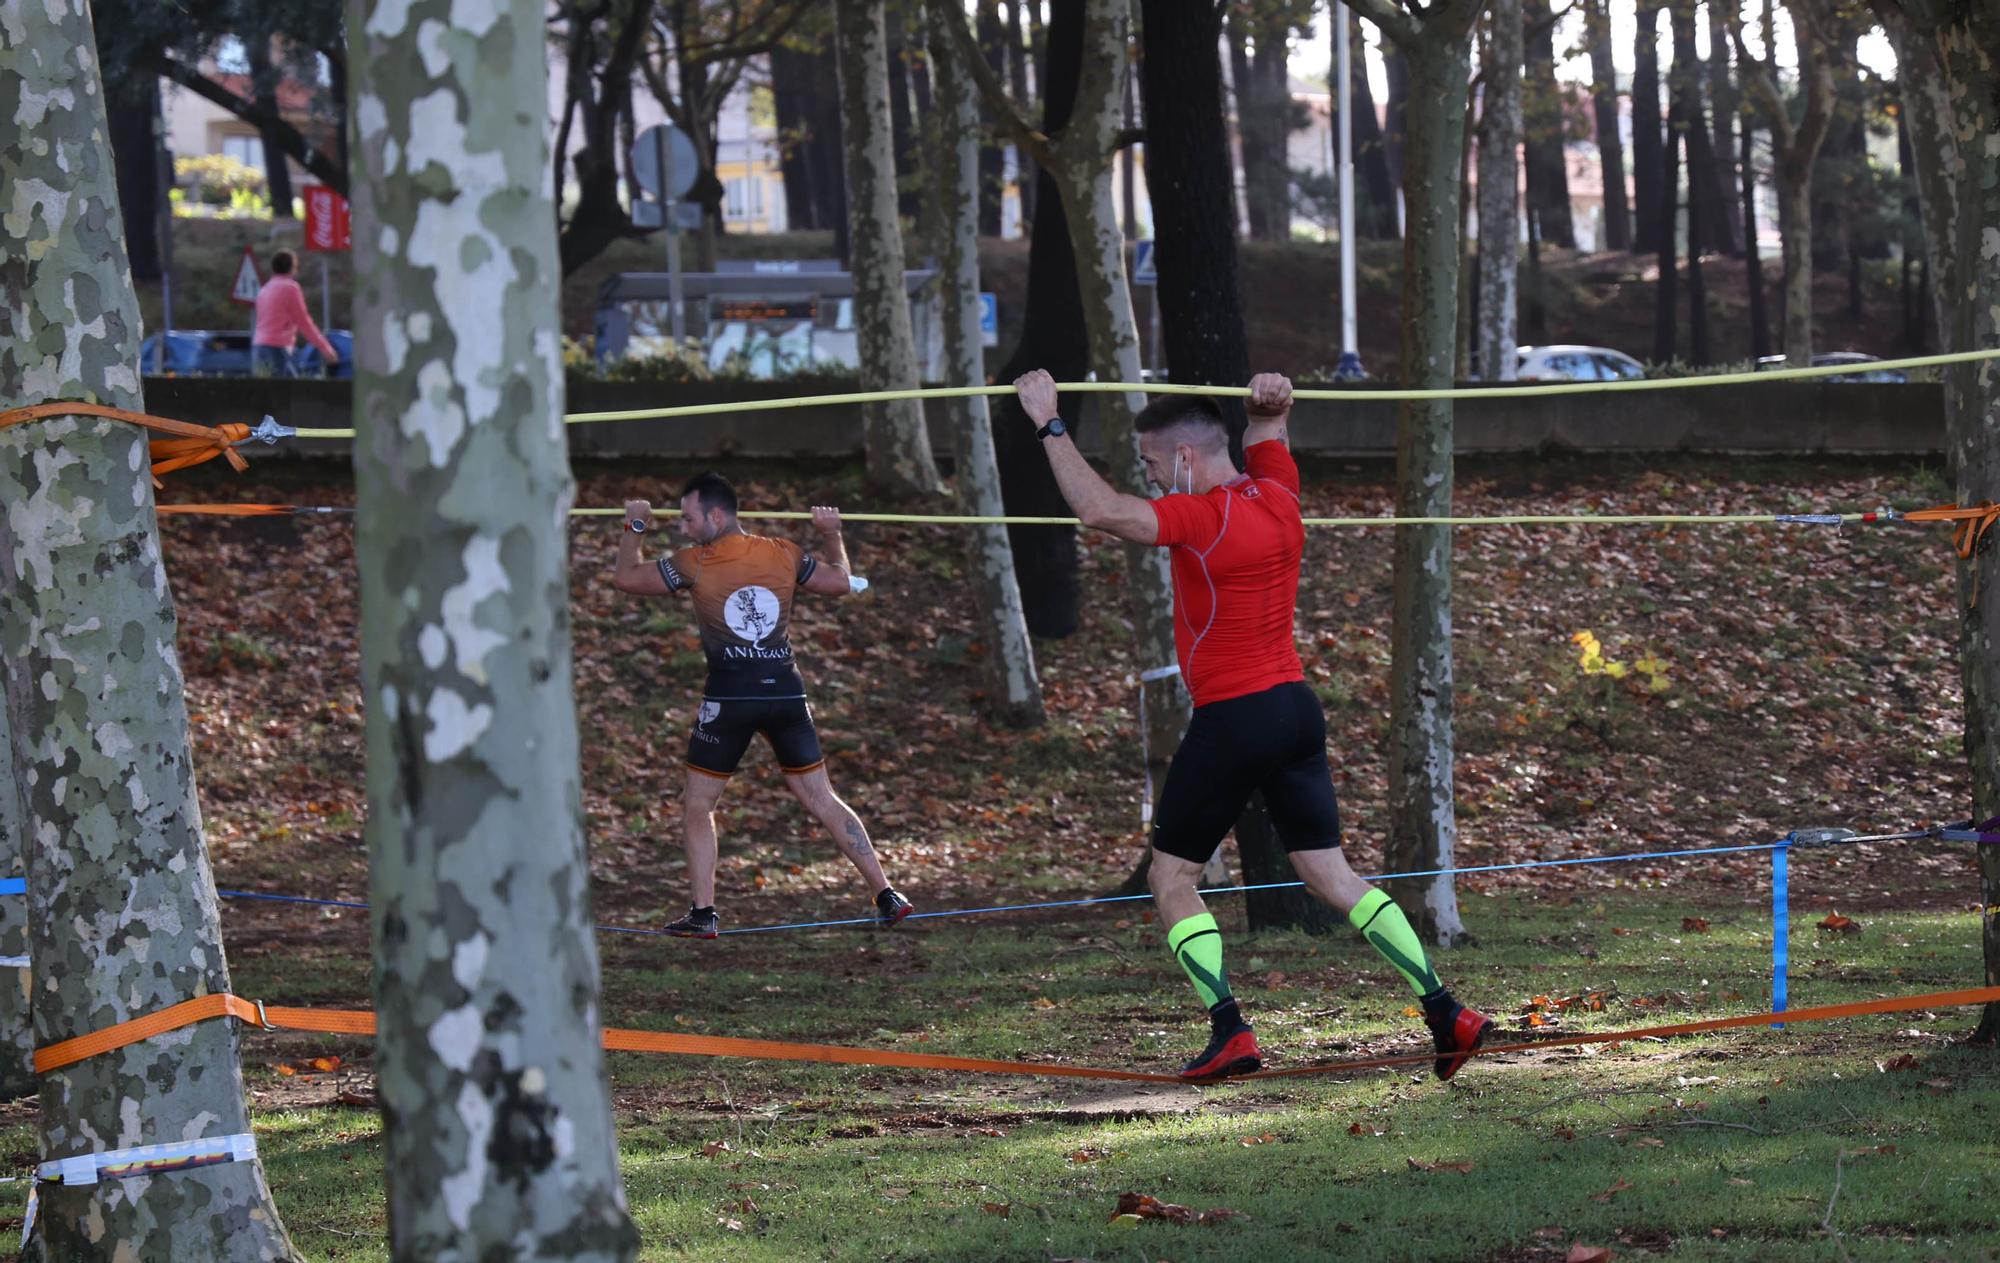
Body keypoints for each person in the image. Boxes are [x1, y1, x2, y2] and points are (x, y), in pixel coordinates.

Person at [1012, 369, 1492, 1084]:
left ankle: (1229, 1028)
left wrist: (1049, 422)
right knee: (1330, 873)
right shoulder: (1279, 495)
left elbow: (1102, 511)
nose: (1149, 480)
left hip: (1234, 715)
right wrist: (1272, 404)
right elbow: (1269, 432)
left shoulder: (1200, 520)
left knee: (1171, 875)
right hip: (1295, 709)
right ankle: (1446, 1009)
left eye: (1151, 466)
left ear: (1183, 458)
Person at [612, 471, 914, 938]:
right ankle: (886, 893)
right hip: (786, 696)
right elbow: (842, 583)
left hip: (731, 699)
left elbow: (626, 579)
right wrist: (833, 534)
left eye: (689, 519)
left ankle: (704, 913)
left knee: (699, 805)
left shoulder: (694, 562)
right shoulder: (784, 552)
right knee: (821, 797)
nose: (684, 528)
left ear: (716, 515)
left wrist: (635, 527)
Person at [252, 249, 339, 378]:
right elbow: (304, 323)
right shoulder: (290, 288)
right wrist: (327, 350)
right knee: (289, 394)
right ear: (292, 267)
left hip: (259, 347)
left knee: (267, 394)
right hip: (278, 349)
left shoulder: (264, 289)